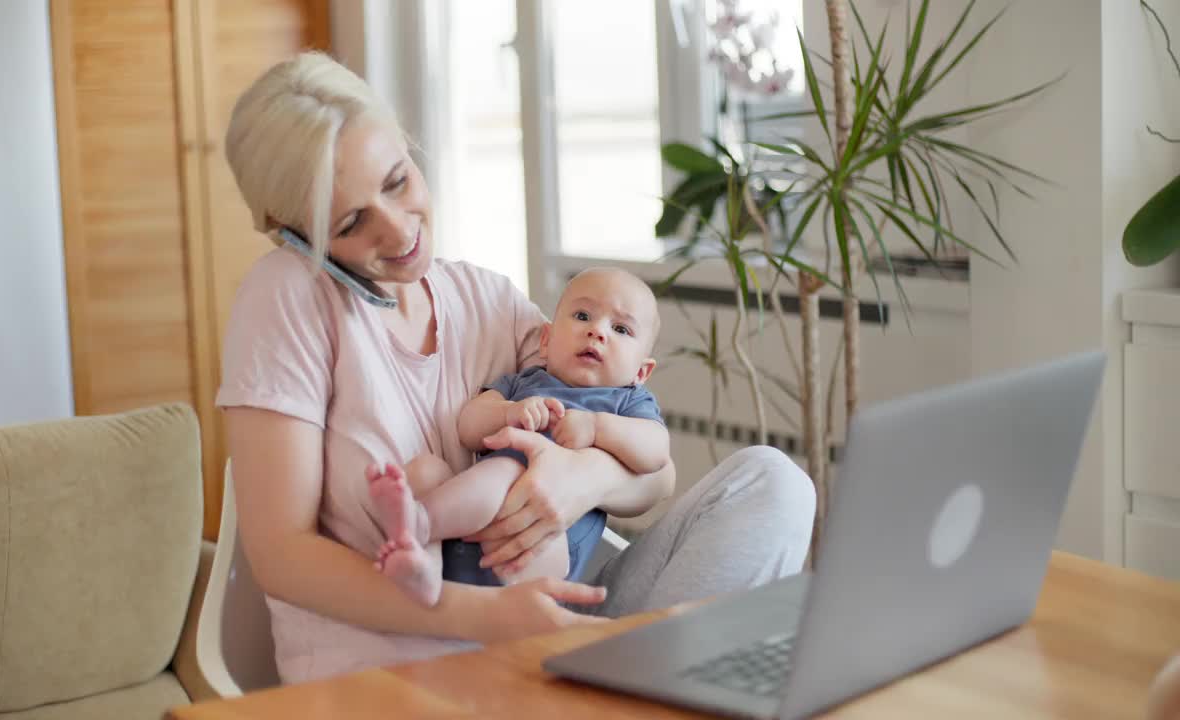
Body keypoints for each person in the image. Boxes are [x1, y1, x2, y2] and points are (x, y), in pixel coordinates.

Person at [217, 51, 816, 684]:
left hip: (543, 620)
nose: (399, 233)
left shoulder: (487, 300)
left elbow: (656, 478)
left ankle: (650, 690)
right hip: (403, 672)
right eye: (350, 222)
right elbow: (280, 555)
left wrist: (581, 480)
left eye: (397, 181)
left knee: (774, 482)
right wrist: (482, 616)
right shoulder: (289, 295)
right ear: (293, 235)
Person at [367, 267, 670, 607]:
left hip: (541, 550)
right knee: (425, 471)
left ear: (642, 372)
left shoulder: (626, 402)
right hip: (468, 529)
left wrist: (597, 427)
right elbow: (468, 427)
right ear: (545, 340)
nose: (596, 331)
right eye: (583, 315)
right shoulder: (523, 384)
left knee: (511, 471)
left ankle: (419, 522)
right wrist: (508, 412)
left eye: (620, 329)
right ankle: (422, 567)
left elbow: (656, 453)